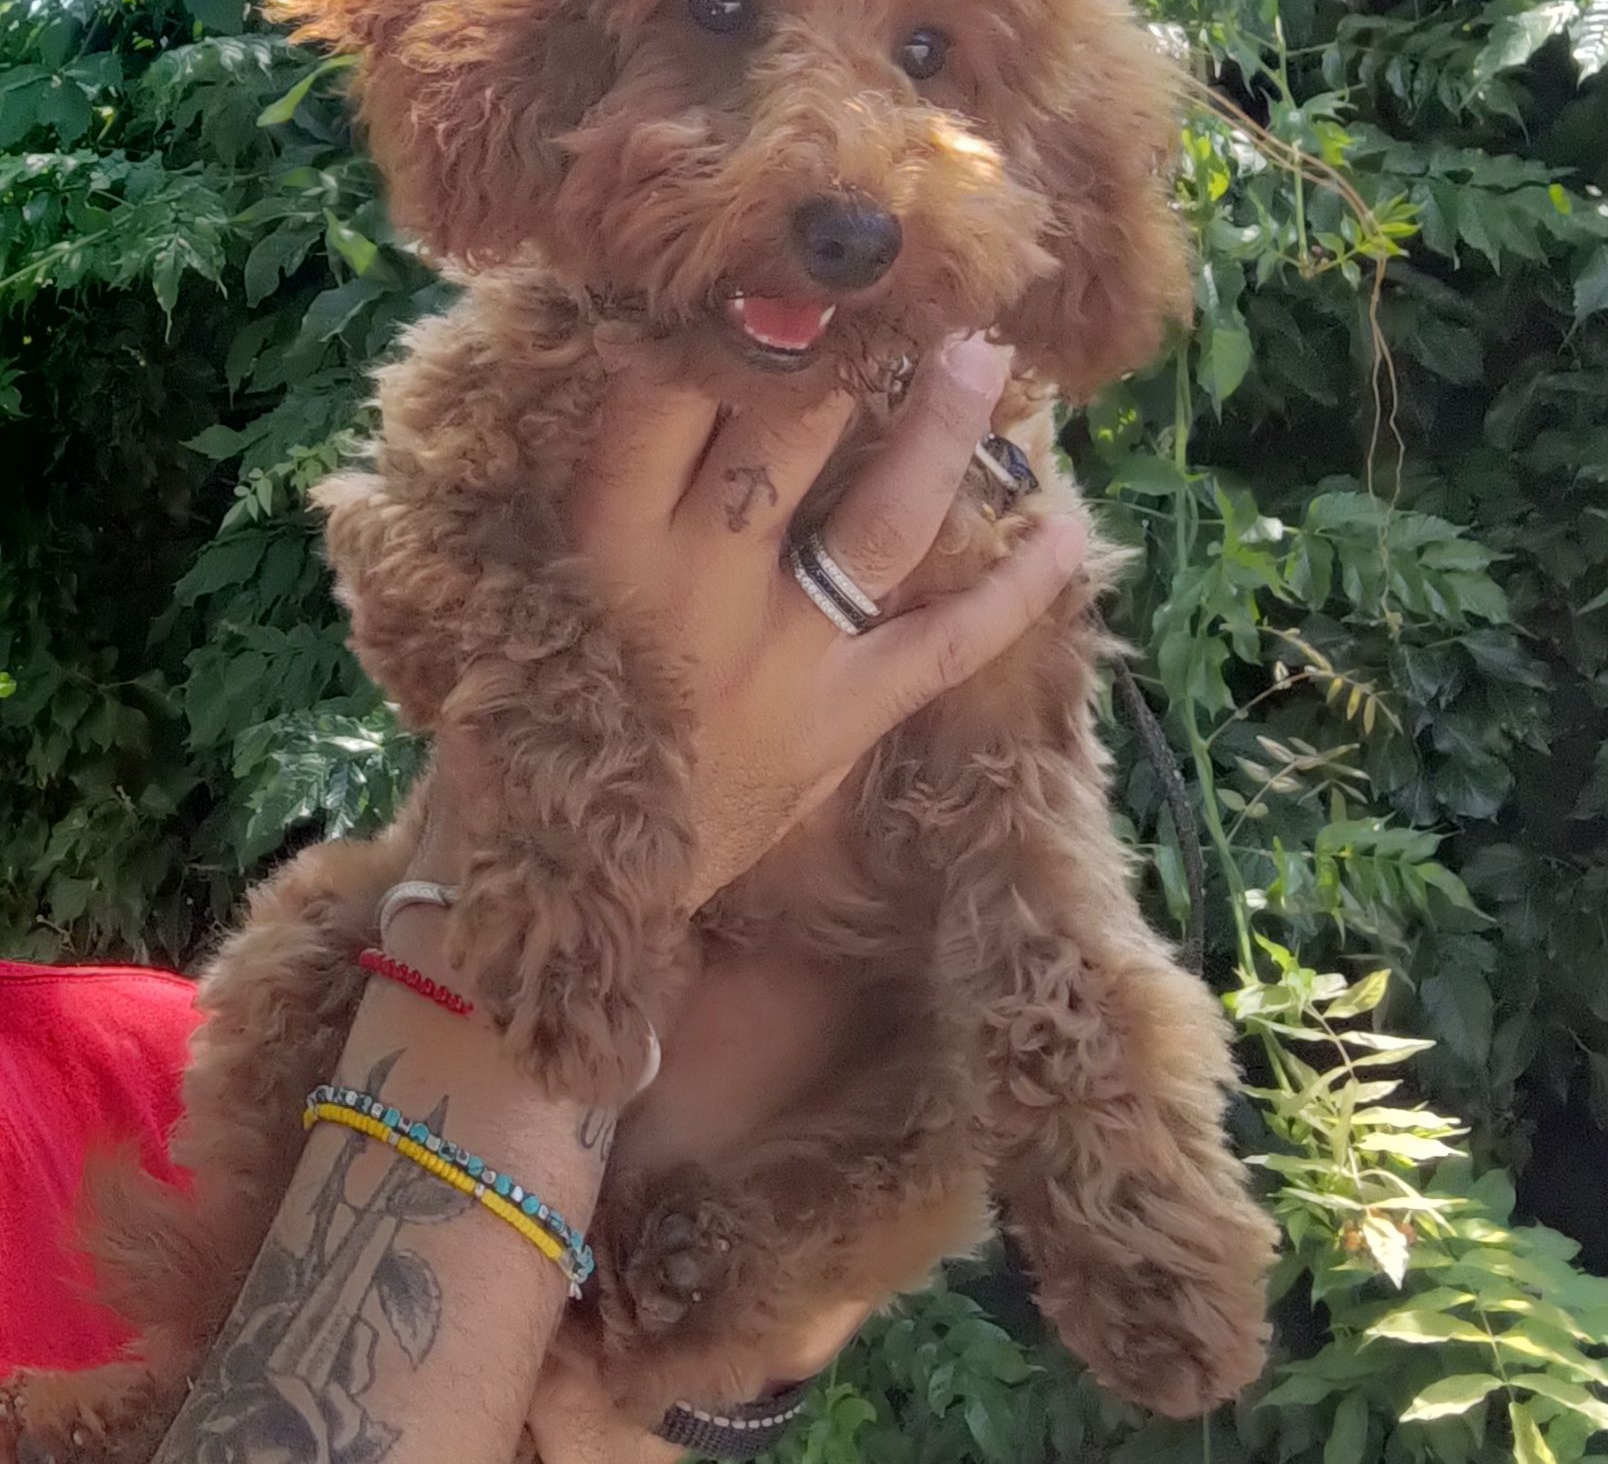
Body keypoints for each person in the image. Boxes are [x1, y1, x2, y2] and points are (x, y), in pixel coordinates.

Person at [1, 335, 1086, 1464]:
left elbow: (577, 1424)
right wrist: (550, 894)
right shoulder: (218, 1085)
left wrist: (718, 1351)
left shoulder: (136, 1080)